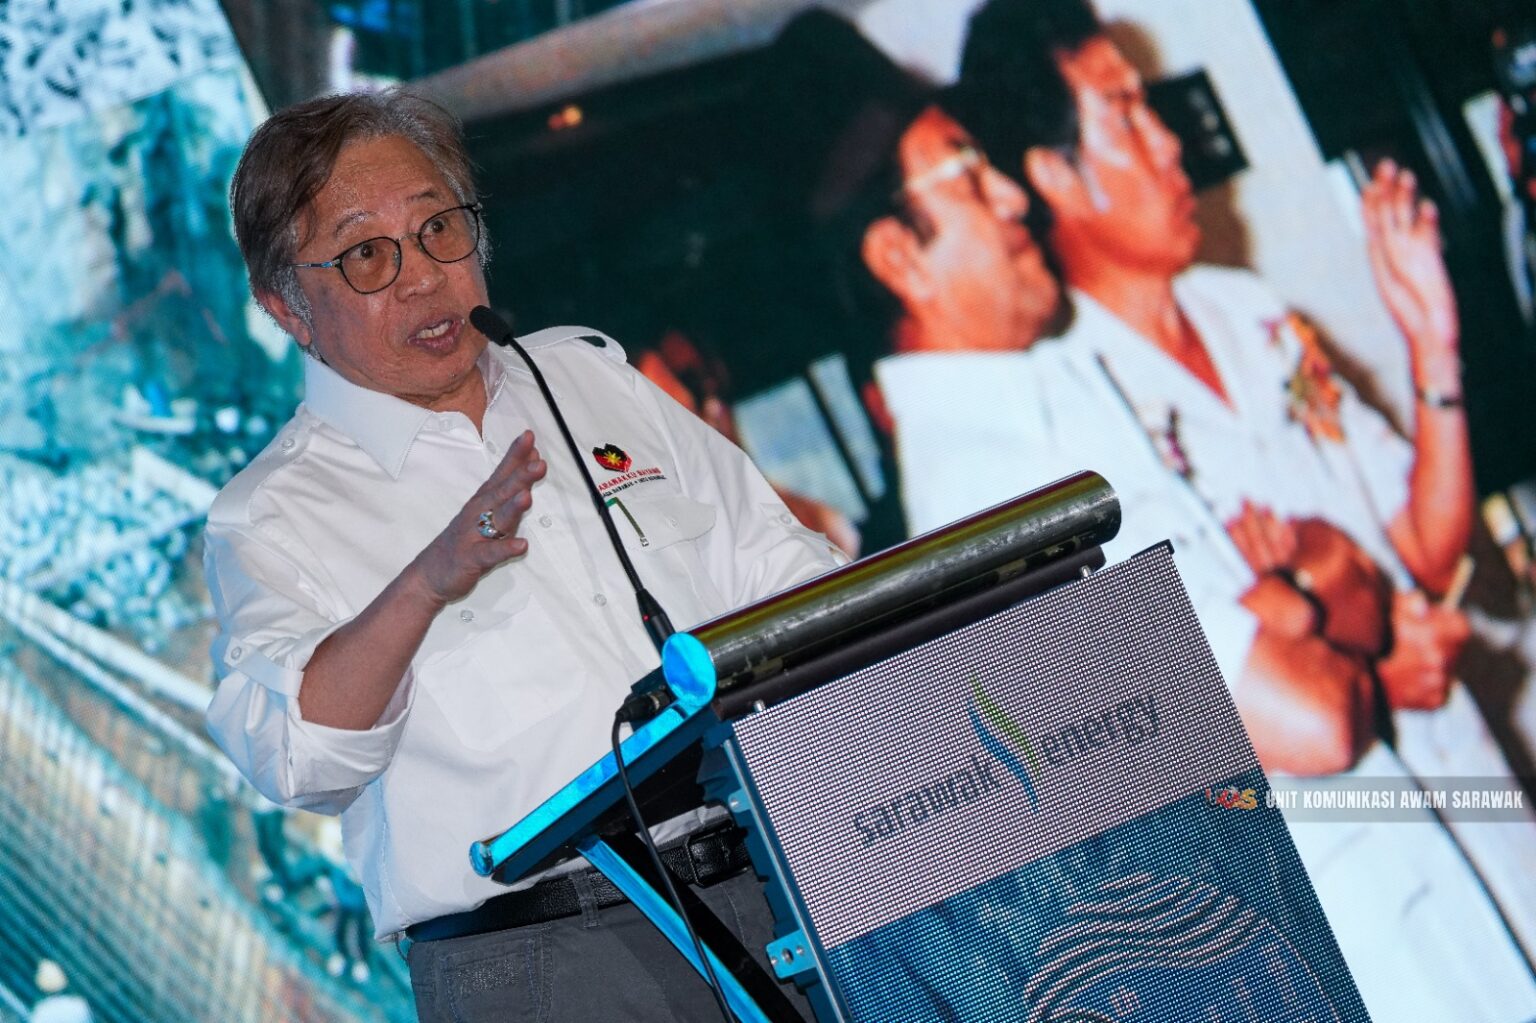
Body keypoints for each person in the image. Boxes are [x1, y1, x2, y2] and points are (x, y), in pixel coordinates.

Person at [202, 89, 842, 1022]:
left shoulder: (584, 377)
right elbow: (300, 758)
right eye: (367, 255)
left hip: (774, 876)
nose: (423, 277)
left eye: (438, 229)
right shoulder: (271, 512)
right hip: (549, 959)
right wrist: (428, 582)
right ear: (286, 307)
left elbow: (787, 572)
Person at [952, 1, 1536, 1018]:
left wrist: (1432, 348)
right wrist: (1359, 648)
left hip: (1471, 788)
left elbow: (1426, 548)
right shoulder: (1063, 419)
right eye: (1126, 115)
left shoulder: (1251, 312)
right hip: (1348, 866)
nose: (1171, 142)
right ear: (1053, 175)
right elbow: (1194, 716)